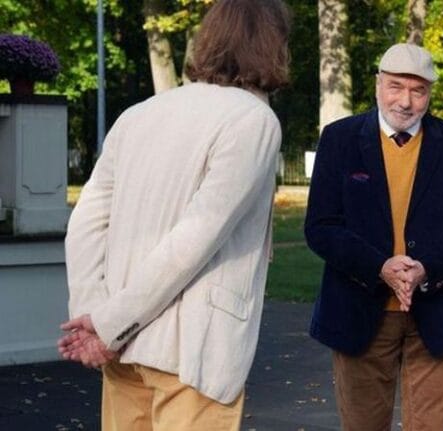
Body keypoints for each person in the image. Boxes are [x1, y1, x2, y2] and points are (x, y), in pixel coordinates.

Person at [57, 0, 290, 429]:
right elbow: (195, 239)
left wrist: (94, 315)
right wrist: (104, 325)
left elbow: (86, 222)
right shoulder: (255, 121)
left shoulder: (138, 114)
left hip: (123, 346)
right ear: (274, 45)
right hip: (192, 349)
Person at [305, 43, 443, 430]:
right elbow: (321, 226)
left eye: (418, 90)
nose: (405, 101)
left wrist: (426, 268)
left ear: (430, 94)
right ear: (378, 85)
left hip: (433, 312)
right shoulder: (340, 139)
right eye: (395, 87)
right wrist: (379, 267)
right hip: (359, 310)